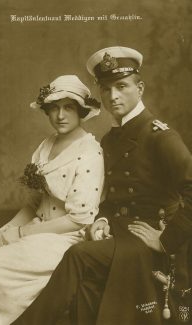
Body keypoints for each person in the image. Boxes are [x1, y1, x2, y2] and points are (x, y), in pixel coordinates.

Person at [12, 47, 192, 325]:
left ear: (140, 88)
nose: (113, 96)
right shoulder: (110, 139)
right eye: (106, 89)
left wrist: (165, 241)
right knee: (84, 287)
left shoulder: (161, 137)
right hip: (115, 233)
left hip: (146, 239)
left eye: (121, 86)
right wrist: (103, 218)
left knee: (77, 256)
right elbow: (108, 193)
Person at [0, 75, 104, 325]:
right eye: (54, 108)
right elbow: (34, 204)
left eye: (68, 107)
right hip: (35, 228)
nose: (60, 115)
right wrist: (6, 229)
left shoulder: (89, 152)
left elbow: (78, 220)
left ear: (82, 111)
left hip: (63, 241)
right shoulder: (46, 145)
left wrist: (20, 234)